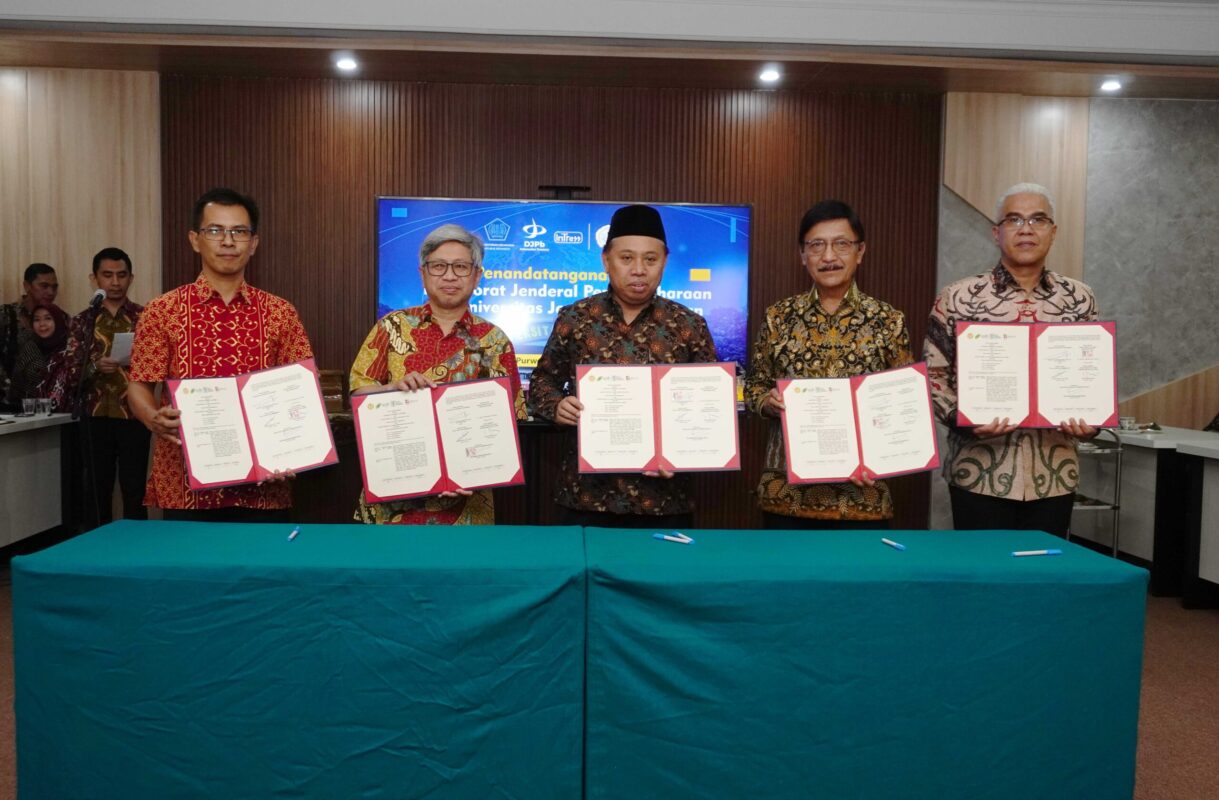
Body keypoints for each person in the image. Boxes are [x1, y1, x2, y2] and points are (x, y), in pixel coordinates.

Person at [127, 188, 314, 522]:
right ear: (195, 240)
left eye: (239, 232)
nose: (228, 241)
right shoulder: (162, 310)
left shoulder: (280, 313)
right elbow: (139, 384)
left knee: (262, 558)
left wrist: (294, 448)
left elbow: (301, 393)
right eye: (215, 230)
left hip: (264, 487)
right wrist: (151, 417)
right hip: (185, 485)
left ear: (253, 243)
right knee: (188, 560)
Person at [923, 182, 1098, 536]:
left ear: (1053, 231)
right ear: (996, 233)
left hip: (1054, 475)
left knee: (1044, 567)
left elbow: (1092, 374)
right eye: (1014, 220)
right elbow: (932, 376)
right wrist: (964, 420)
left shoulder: (1079, 298)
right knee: (983, 568)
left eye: (1038, 220)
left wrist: (1090, 421)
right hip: (978, 474)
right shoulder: (958, 297)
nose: (1026, 229)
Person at [528, 204, 718, 529]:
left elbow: (710, 405)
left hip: (663, 500)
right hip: (585, 497)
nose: (639, 269)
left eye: (650, 259)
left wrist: (685, 452)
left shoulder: (689, 325)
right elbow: (542, 382)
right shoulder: (575, 318)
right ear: (606, 260)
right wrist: (556, 406)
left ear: (664, 262)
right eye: (626, 258)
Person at [745, 200, 913, 529]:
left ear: (860, 252)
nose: (828, 256)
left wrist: (883, 455)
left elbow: (904, 406)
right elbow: (753, 387)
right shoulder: (778, 317)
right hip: (787, 498)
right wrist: (767, 401)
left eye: (841, 244)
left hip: (864, 496)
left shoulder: (887, 320)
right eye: (816, 245)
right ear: (802, 254)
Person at [348, 224, 526, 525]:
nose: (449, 276)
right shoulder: (391, 327)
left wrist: (477, 469)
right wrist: (391, 389)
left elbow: (511, 419)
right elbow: (358, 396)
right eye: (439, 266)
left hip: (467, 505)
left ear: (477, 276)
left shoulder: (494, 340)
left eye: (461, 267)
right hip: (391, 502)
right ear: (423, 273)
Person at [43, 248, 150, 526]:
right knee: (96, 488)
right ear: (95, 279)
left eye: (121, 275)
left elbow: (159, 364)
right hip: (94, 416)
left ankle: (138, 546)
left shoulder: (145, 317)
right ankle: (96, 544)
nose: (115, 282)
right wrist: (95, 367)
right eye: (107, 275)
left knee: (135, 489)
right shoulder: (83, 321)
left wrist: (139, 361)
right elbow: (71, 373)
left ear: (131, 278)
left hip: (135, 414)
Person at [1, 263, 66, 401]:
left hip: (50, 401)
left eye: (54, 287)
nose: (51, 292)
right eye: (44, 286)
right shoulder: (6, 315)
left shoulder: (62, 319)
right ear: (27, 286)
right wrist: (8, 393)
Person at [6, 305, 68, 407]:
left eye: (48, 318)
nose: (42, 324)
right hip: (29, 410)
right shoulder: (30, 348)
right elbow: (16, 386)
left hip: (64, 412)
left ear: (58, 321)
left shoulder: (70, 349)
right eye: (37, 320)